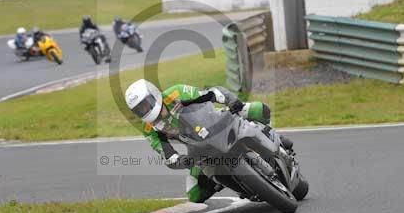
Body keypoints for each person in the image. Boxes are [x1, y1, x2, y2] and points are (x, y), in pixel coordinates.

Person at [124, 80, 293, 203]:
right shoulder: (149, 128)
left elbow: (212, 93)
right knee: (194, 194)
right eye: (140, 109)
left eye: (146, 104)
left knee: (257, 109)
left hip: (218, 123)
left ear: (154, 95)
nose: (145, 109)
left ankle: (274, 138)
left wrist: (231, 101)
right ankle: (232, 182)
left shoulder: (176, 93)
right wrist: (181, 161)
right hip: (198, 150)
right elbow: (165, 153)